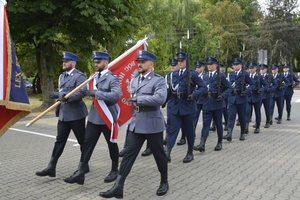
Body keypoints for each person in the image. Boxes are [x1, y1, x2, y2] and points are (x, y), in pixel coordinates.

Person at [100, 50, 169, 198]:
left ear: (151, 64)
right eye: (138, 62)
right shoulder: (136, 80)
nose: (139, 64)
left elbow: (161, 98)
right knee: (128, 156)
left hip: (152, 124)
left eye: (143, 62)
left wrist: (139, 99)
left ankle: (164, 181)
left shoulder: (158, 80)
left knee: (159, 155)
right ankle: (118, 187)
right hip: (137, 124)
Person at [63, 51, 120, 185]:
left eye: (98, 62)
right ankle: (80, 172)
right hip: (95, 116)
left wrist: (97, 93)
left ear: (106, 63)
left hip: (107, 116)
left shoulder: (113, 78)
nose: (96, 64)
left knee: (111, 143)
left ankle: (115, 169)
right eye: (95, 62)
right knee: (87, 144)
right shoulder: (92, 77)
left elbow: (116, 96)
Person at [36, 52, 88, 178]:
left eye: (66, 61)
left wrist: (62, 97)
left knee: (82, 141)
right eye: (63, 61)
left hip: (76, 114)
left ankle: (84, 166)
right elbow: (62, 92)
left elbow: (81, 92)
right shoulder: (61, 76)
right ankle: (51, 167)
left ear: (73, 63)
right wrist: (58, 107)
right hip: (64, 115)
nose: (63, 63)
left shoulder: (79, 76)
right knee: (59, 141)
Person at [165, 52, 207, 163]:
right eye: (178, 61)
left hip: (188, 107)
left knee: (189, 131)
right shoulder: (174, 74)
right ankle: (167, 153)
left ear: (187, 62)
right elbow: (171, 90)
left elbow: (203, 87)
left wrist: (194, 95)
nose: (179, 62)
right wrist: (163, 101)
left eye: (182, 61)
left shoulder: (192, 74)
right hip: (176, 106)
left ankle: (190, 152)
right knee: (173, 130)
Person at [194, 57, 232, 152]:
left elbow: (229, 88)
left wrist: (223, 96)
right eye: (208, 64)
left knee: (219, 124)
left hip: (217, 103)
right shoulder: (204, 76)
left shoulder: (221, 76)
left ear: (216, 65)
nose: (209, 66)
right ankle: (202, 144)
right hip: (206, 102)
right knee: (205, 124)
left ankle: (219, 142)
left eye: (211, 64)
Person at [223, 58, 254, 141]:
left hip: (241, 98)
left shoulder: (245, 74)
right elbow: (227, 84)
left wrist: (246, 91)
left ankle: (242, 133)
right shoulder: (231, 74)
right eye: (234, 64)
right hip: (232, 97)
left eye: (237, 64)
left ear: (240, 65)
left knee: (242, 117)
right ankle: (229, 133)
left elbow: (252, 85)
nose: (235, 66)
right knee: (231, 116)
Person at [246, 62, 269, 133]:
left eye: (252, 68)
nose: (251, 69)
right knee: (247, 112)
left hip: (257, 97)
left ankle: (257, 126)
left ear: (256, 68)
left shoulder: (259, 76)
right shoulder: (246, 76)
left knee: (257, 112)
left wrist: (261, 90)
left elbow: (266, 85)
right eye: (250, 68)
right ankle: (246, 127)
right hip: (249, 97)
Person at [164, 58, 180, 144]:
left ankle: (183, 137)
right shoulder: (168, 76)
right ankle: (167, 138)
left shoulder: (180, 75)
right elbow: (167, 89)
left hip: (179, 100)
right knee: (169, 120)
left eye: (174, 65)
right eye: (172, 65)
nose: (172, 67)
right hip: (170, 100)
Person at [193, 61, 208, 133]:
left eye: (199, 67)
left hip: (204, 99)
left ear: (203, 68)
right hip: (196, 99)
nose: (197, 69)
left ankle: (205, 132)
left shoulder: (206, 76)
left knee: (205, 117)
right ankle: (193, 130)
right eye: (196, 67)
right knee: (195, 116)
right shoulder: (193, 76)